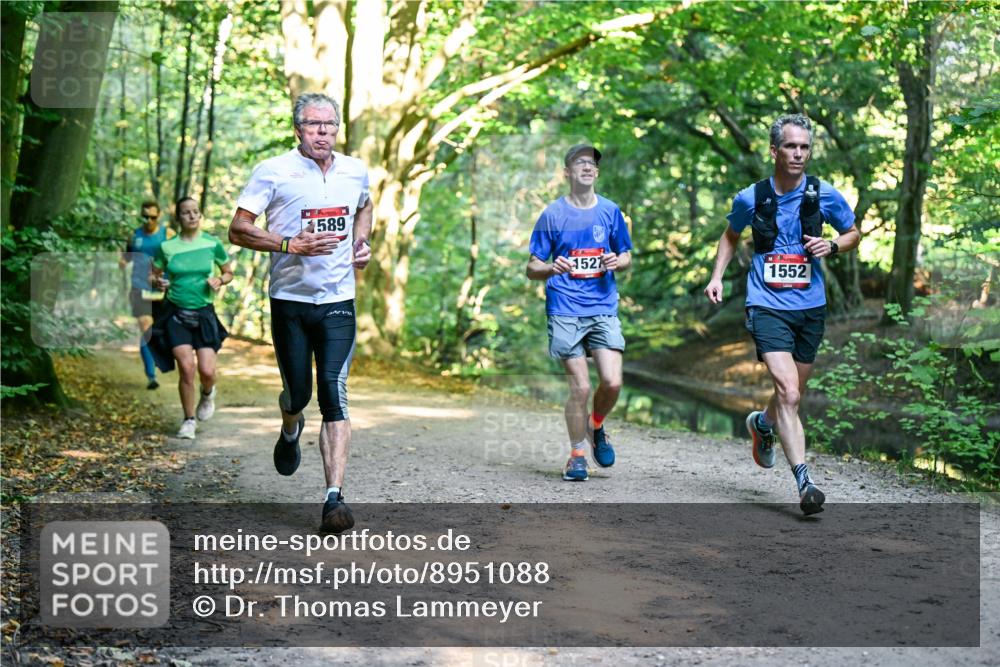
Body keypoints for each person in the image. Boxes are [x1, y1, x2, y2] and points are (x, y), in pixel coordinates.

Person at [227, 92, 373, 534]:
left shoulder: (354, 170)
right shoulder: (273, 171)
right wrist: (290, 244)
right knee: (298, 394)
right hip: (289, 301)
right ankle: (290, 427)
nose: (323, 133)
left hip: (337, 301)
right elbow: (238, 229)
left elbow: (364, 206)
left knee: (334, 390)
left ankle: (334, 498)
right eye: (314, 125)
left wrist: (360, 242)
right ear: (298, 129)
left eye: (329, 125)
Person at [704, 114, 860, 515]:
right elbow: (730, 235)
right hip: (766, 304)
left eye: (804, 147)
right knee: (789, 392)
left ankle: (763, 425)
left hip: (810, 307)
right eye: (791, 146)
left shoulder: (823, 194)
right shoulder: (750, 197)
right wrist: (717, 276)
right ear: (774, 150)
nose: (798, 154)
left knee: (793, 393)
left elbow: (852, 231)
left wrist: (835, 246)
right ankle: (805, 483)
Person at [526, 144, 633, 482]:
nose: (587, 167)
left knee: (613, 382)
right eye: (579, 163)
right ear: (567, 173)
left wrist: (618, 261)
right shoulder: (552, 215)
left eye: (591, 163)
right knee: (581, 389)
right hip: (565, 309)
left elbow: (627, 255)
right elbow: (531, 266)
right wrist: (550, 268)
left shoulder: (611, 211)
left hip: (602, 307)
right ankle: (576, 456)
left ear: (597, 172)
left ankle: (595, 425)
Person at [150, 197, 234, 440]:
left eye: (196, 212)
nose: (192, 216)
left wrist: (220, 280)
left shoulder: (212, 243)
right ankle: (188, 420)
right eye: (186, 213)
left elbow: (228, 272)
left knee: (207, 370)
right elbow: (152, 276)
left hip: (205, 313)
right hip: (176, 313)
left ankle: (208, 393)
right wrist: (158, 281)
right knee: (186, 369)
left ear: (200, 215)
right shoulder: (167, 247)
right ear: (179, 217)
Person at [121, 200, 173, 389]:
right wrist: (121, 260)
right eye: (145, 216)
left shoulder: (167, 234)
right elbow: (125, 259)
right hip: (138, 287)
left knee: (159, 332)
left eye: (152, 217)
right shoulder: (134, 236)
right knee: (146, 328)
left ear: (158, 216)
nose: (148, 220)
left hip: (161, 290)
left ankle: (160, 358)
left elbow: (177, 256)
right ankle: (152, 375)